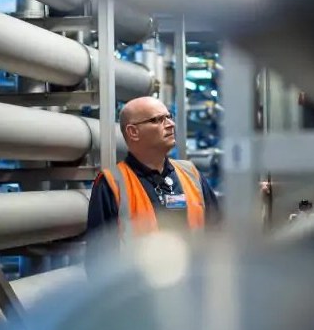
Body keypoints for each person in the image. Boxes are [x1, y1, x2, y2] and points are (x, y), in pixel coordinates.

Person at [85, 97, 220, 266]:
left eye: (169, 116)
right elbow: (98, 261)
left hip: (192, 289)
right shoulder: (113, 183)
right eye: (158, 120)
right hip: (139, 291)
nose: (170, 124)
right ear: (133, 132)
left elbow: (218, 235)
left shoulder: (191, 174)